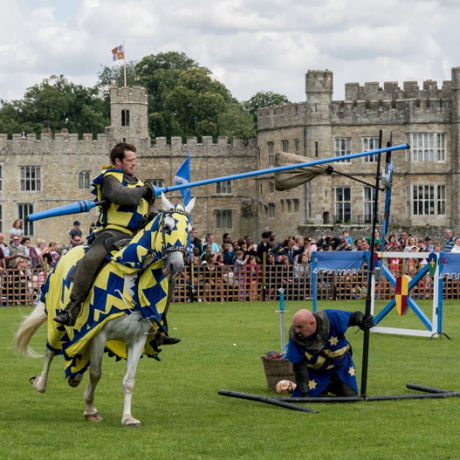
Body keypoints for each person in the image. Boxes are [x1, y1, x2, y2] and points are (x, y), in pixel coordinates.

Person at [53, 142, 162, 329]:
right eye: (130, 160)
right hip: (112, 232)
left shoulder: (138, 183)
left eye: (135, 160)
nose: (134, 164)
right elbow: (121, 196)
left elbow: (150, 208)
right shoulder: (110, 178)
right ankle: (72, 309)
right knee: (91, 259)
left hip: (138, 236)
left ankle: (161, 324)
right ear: (118, 161)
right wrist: (144, 191)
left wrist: (154, 213)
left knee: (165, 262)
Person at [287, 308, 374, 397]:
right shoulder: (295, 338)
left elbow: (354, 316)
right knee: (307, 395)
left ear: (312, 323)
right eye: (295, 326)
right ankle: (324, 386)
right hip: (317, 372)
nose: (296, 331)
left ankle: (331, 384)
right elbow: (299, 368)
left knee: (349, 395)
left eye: (300, 327)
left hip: (340, 366)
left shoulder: (331, 317)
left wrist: (362, 320)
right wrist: (304, 393)